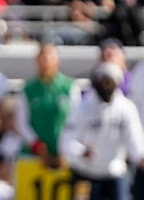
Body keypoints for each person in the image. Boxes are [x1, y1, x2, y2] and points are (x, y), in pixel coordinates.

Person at [60, 63, 144, 200]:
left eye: (109, 81)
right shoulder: (82, 107)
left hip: (114, 172)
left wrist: (140, 156)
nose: (106, 85)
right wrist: (81, 151)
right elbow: (66, 140)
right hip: (85, 172)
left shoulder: (126, 109)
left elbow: (134, 139)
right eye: (103, 81)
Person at [17, 40, 79, 169]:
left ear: (57, 60)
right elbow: (21, 123)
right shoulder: (28, 89)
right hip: (34, 155)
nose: (45, 60)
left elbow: (75, 119)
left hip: (64, 155)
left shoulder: (70, 87)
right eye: (42, 56)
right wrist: (38, 146)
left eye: (49, 56)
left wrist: (65, 147)